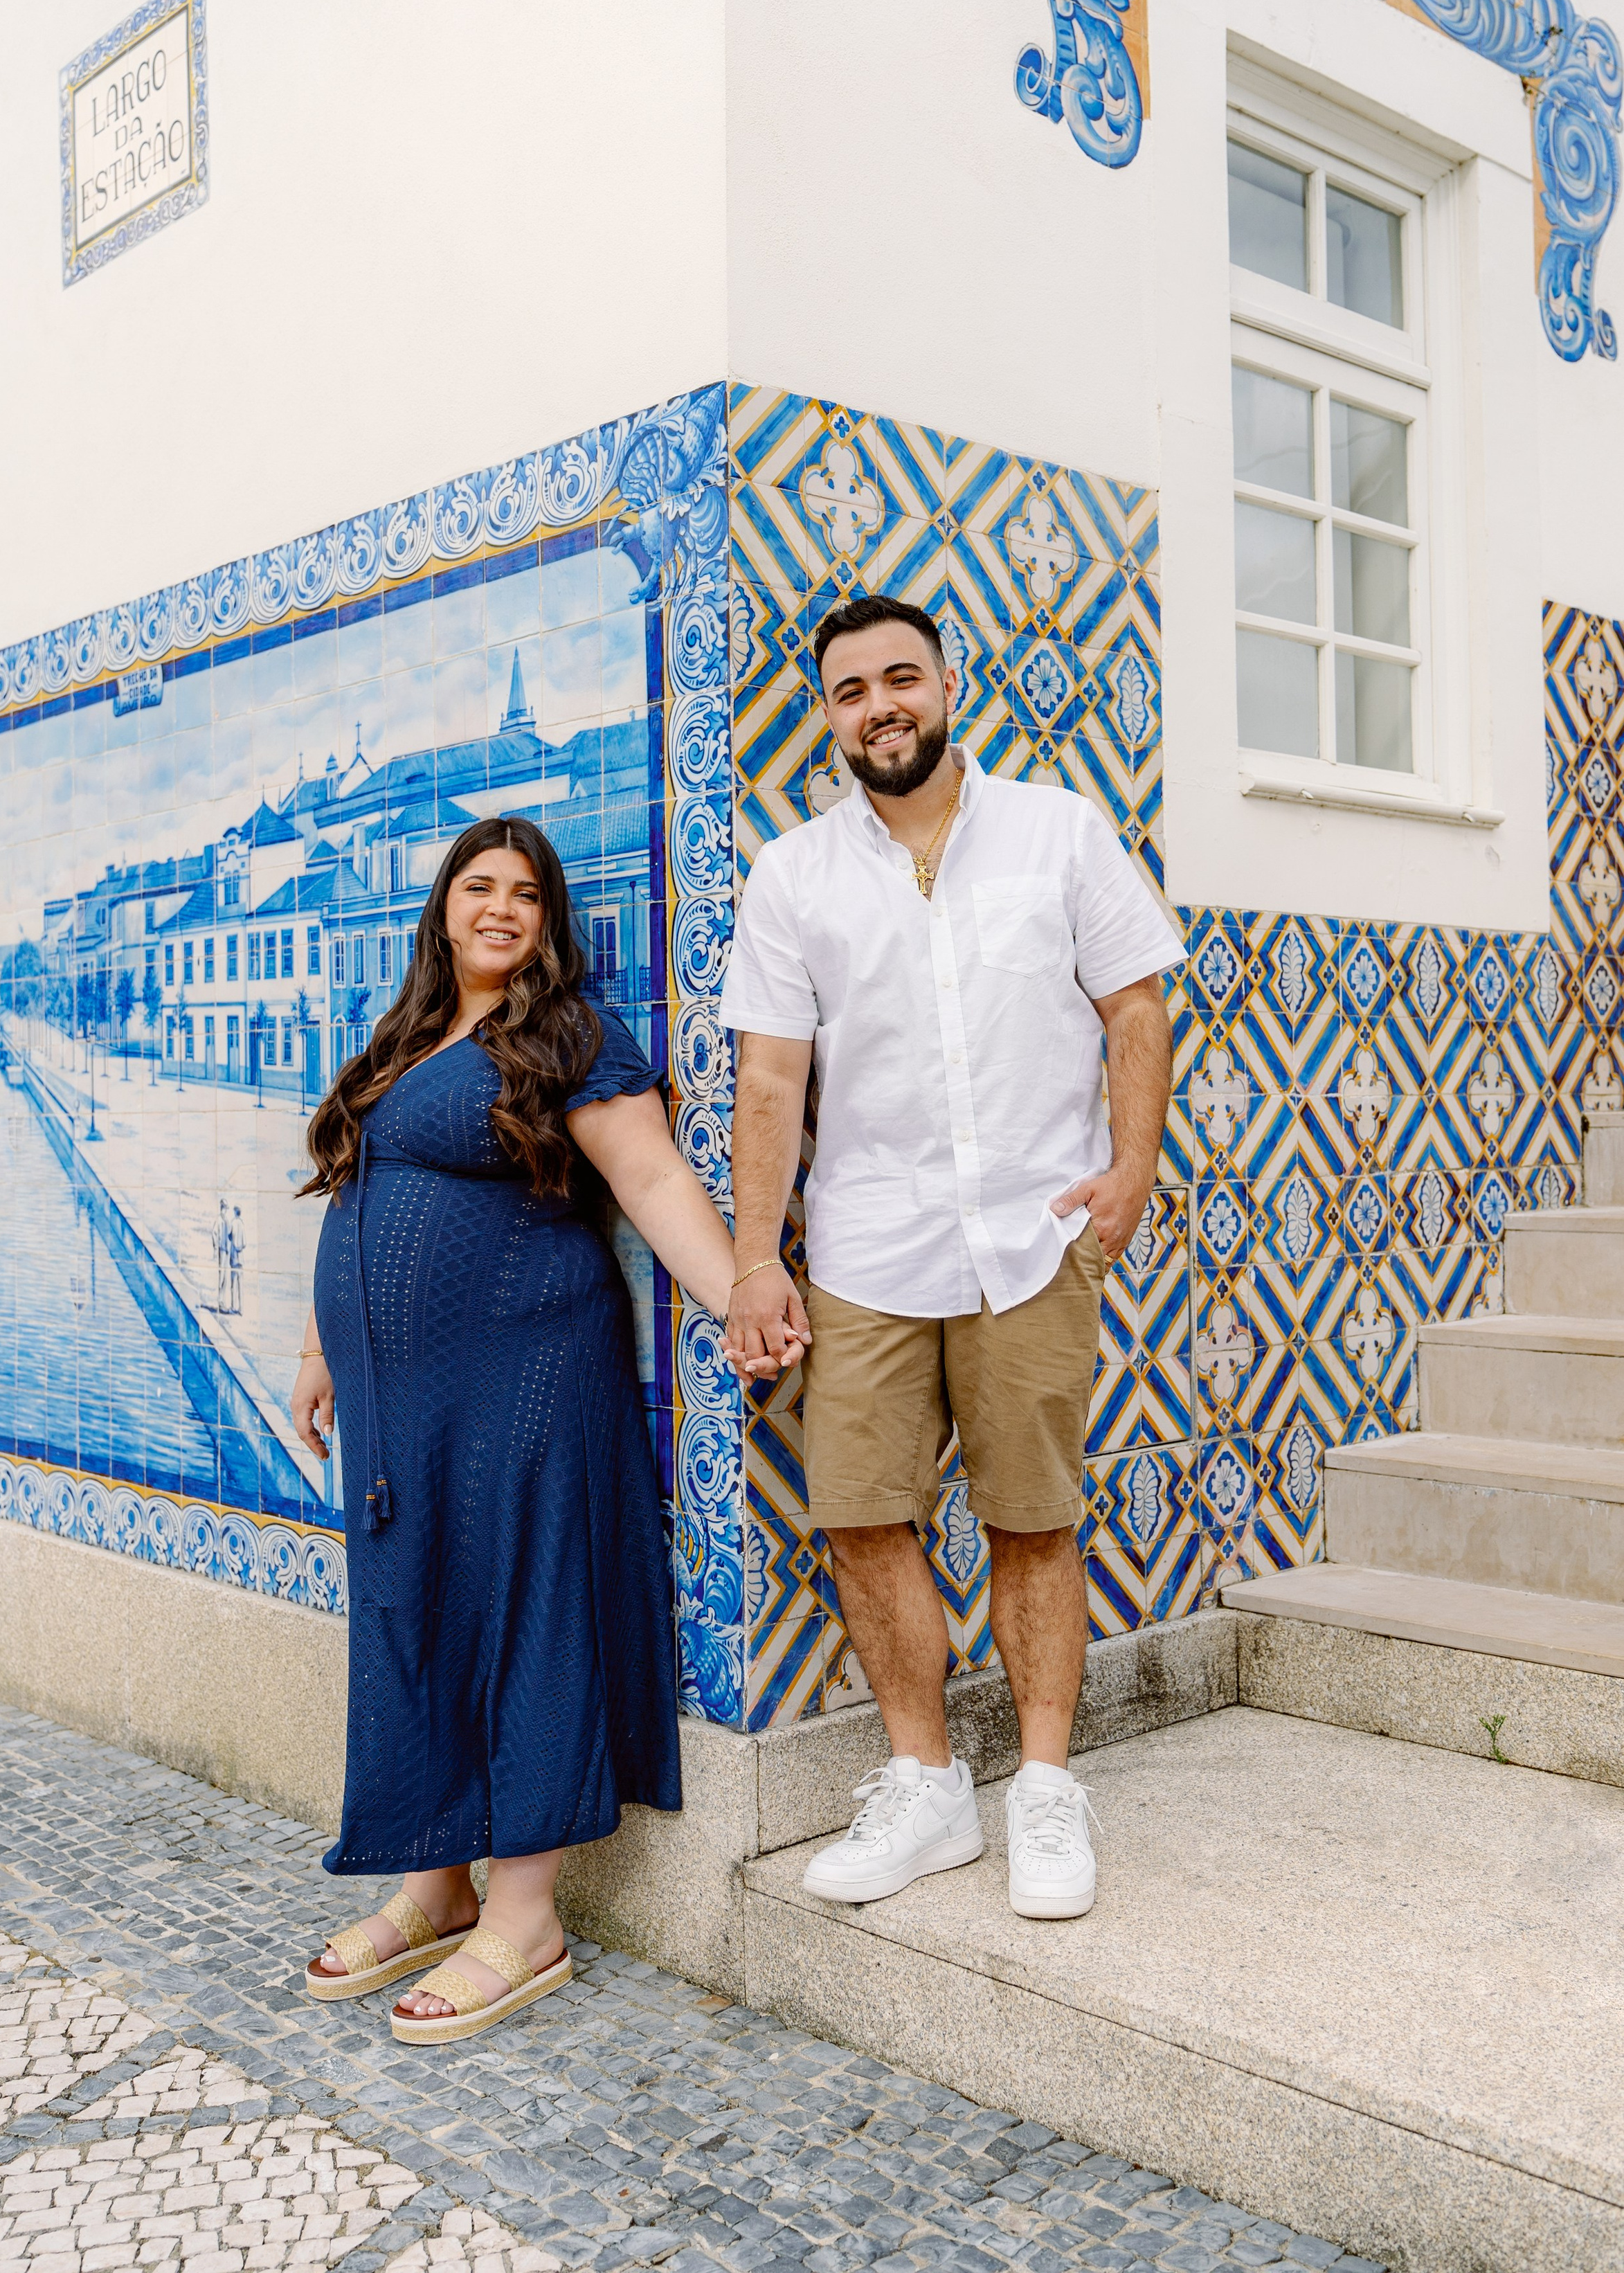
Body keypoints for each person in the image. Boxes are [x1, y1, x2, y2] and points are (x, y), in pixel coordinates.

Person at [721, 591, 1178, 1920]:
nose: (880, 707)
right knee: (860, 1513)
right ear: (829, 716)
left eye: (900, 678)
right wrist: (754, 1259)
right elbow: (770, 1081)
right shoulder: (794, 874)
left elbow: (1135, 1005)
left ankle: (1043, 1787)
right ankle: (927, 1787)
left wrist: (1132, 1169)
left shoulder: (1059, 830)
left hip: (1034, 1236)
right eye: (851, 690)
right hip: (867, 1241)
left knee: (1032, 1514)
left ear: (946, 682)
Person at [292, 816, 776, 2042]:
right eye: (479, 885)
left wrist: (739, 1292)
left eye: (525, 892)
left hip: (527, 1374)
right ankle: (435, 1885)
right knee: (417, 1606)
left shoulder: (569, 1036)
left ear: (549, 920)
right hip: (400, 1403)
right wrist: (319, 1348)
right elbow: (357, 1192)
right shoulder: (404, 1035)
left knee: (525, 1609)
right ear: (444, 907)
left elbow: (652, 1179)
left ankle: (525, 1915)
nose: (500, 907)